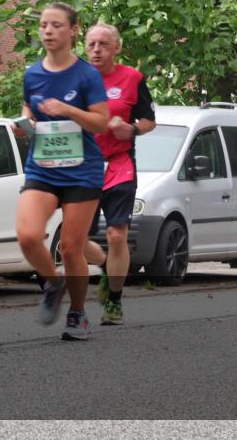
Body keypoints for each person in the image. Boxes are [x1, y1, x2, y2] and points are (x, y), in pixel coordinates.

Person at [14, 3, 108, 340]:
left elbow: (100, 121)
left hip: (82, 170)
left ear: (73, 31)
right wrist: (27, 121)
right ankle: (53, 283)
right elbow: (29, 104)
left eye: (56, 25)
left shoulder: (87, 75)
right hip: (42, 167)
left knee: (71, 248)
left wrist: (67, 109)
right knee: (27, 236)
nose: (48, 31)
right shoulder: (32, 73)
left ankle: (78, 313)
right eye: (43, 25)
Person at [83, 22, 156, 326]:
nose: (96, 50)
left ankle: (114, 300)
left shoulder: (132, 78)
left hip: (119, 163)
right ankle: (103, 268)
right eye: (91, 44)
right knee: (74, 241)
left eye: (103, 44)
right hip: (83, 165)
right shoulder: (75, 78)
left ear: (117, 48)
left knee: (116, 235)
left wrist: (133, 129)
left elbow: (149, 120)